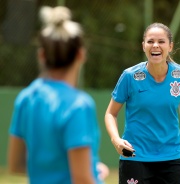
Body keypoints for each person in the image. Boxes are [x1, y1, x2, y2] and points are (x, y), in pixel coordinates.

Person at [7, 6, 109, 184]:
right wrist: (92, 174)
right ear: (81, 54)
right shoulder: (79, 105)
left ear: (41, 55)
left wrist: (89, 168)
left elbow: (15, 165)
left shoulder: (26, 98)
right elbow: (82, 180)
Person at [105, 22, 180, 184]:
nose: (155, 46)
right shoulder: (129, 76)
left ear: (170, 46)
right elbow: (111, 113)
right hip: (134, 157)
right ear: (143, 46)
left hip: (172, 158)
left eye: (161, 41)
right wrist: (116, 139)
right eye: (150, 41)